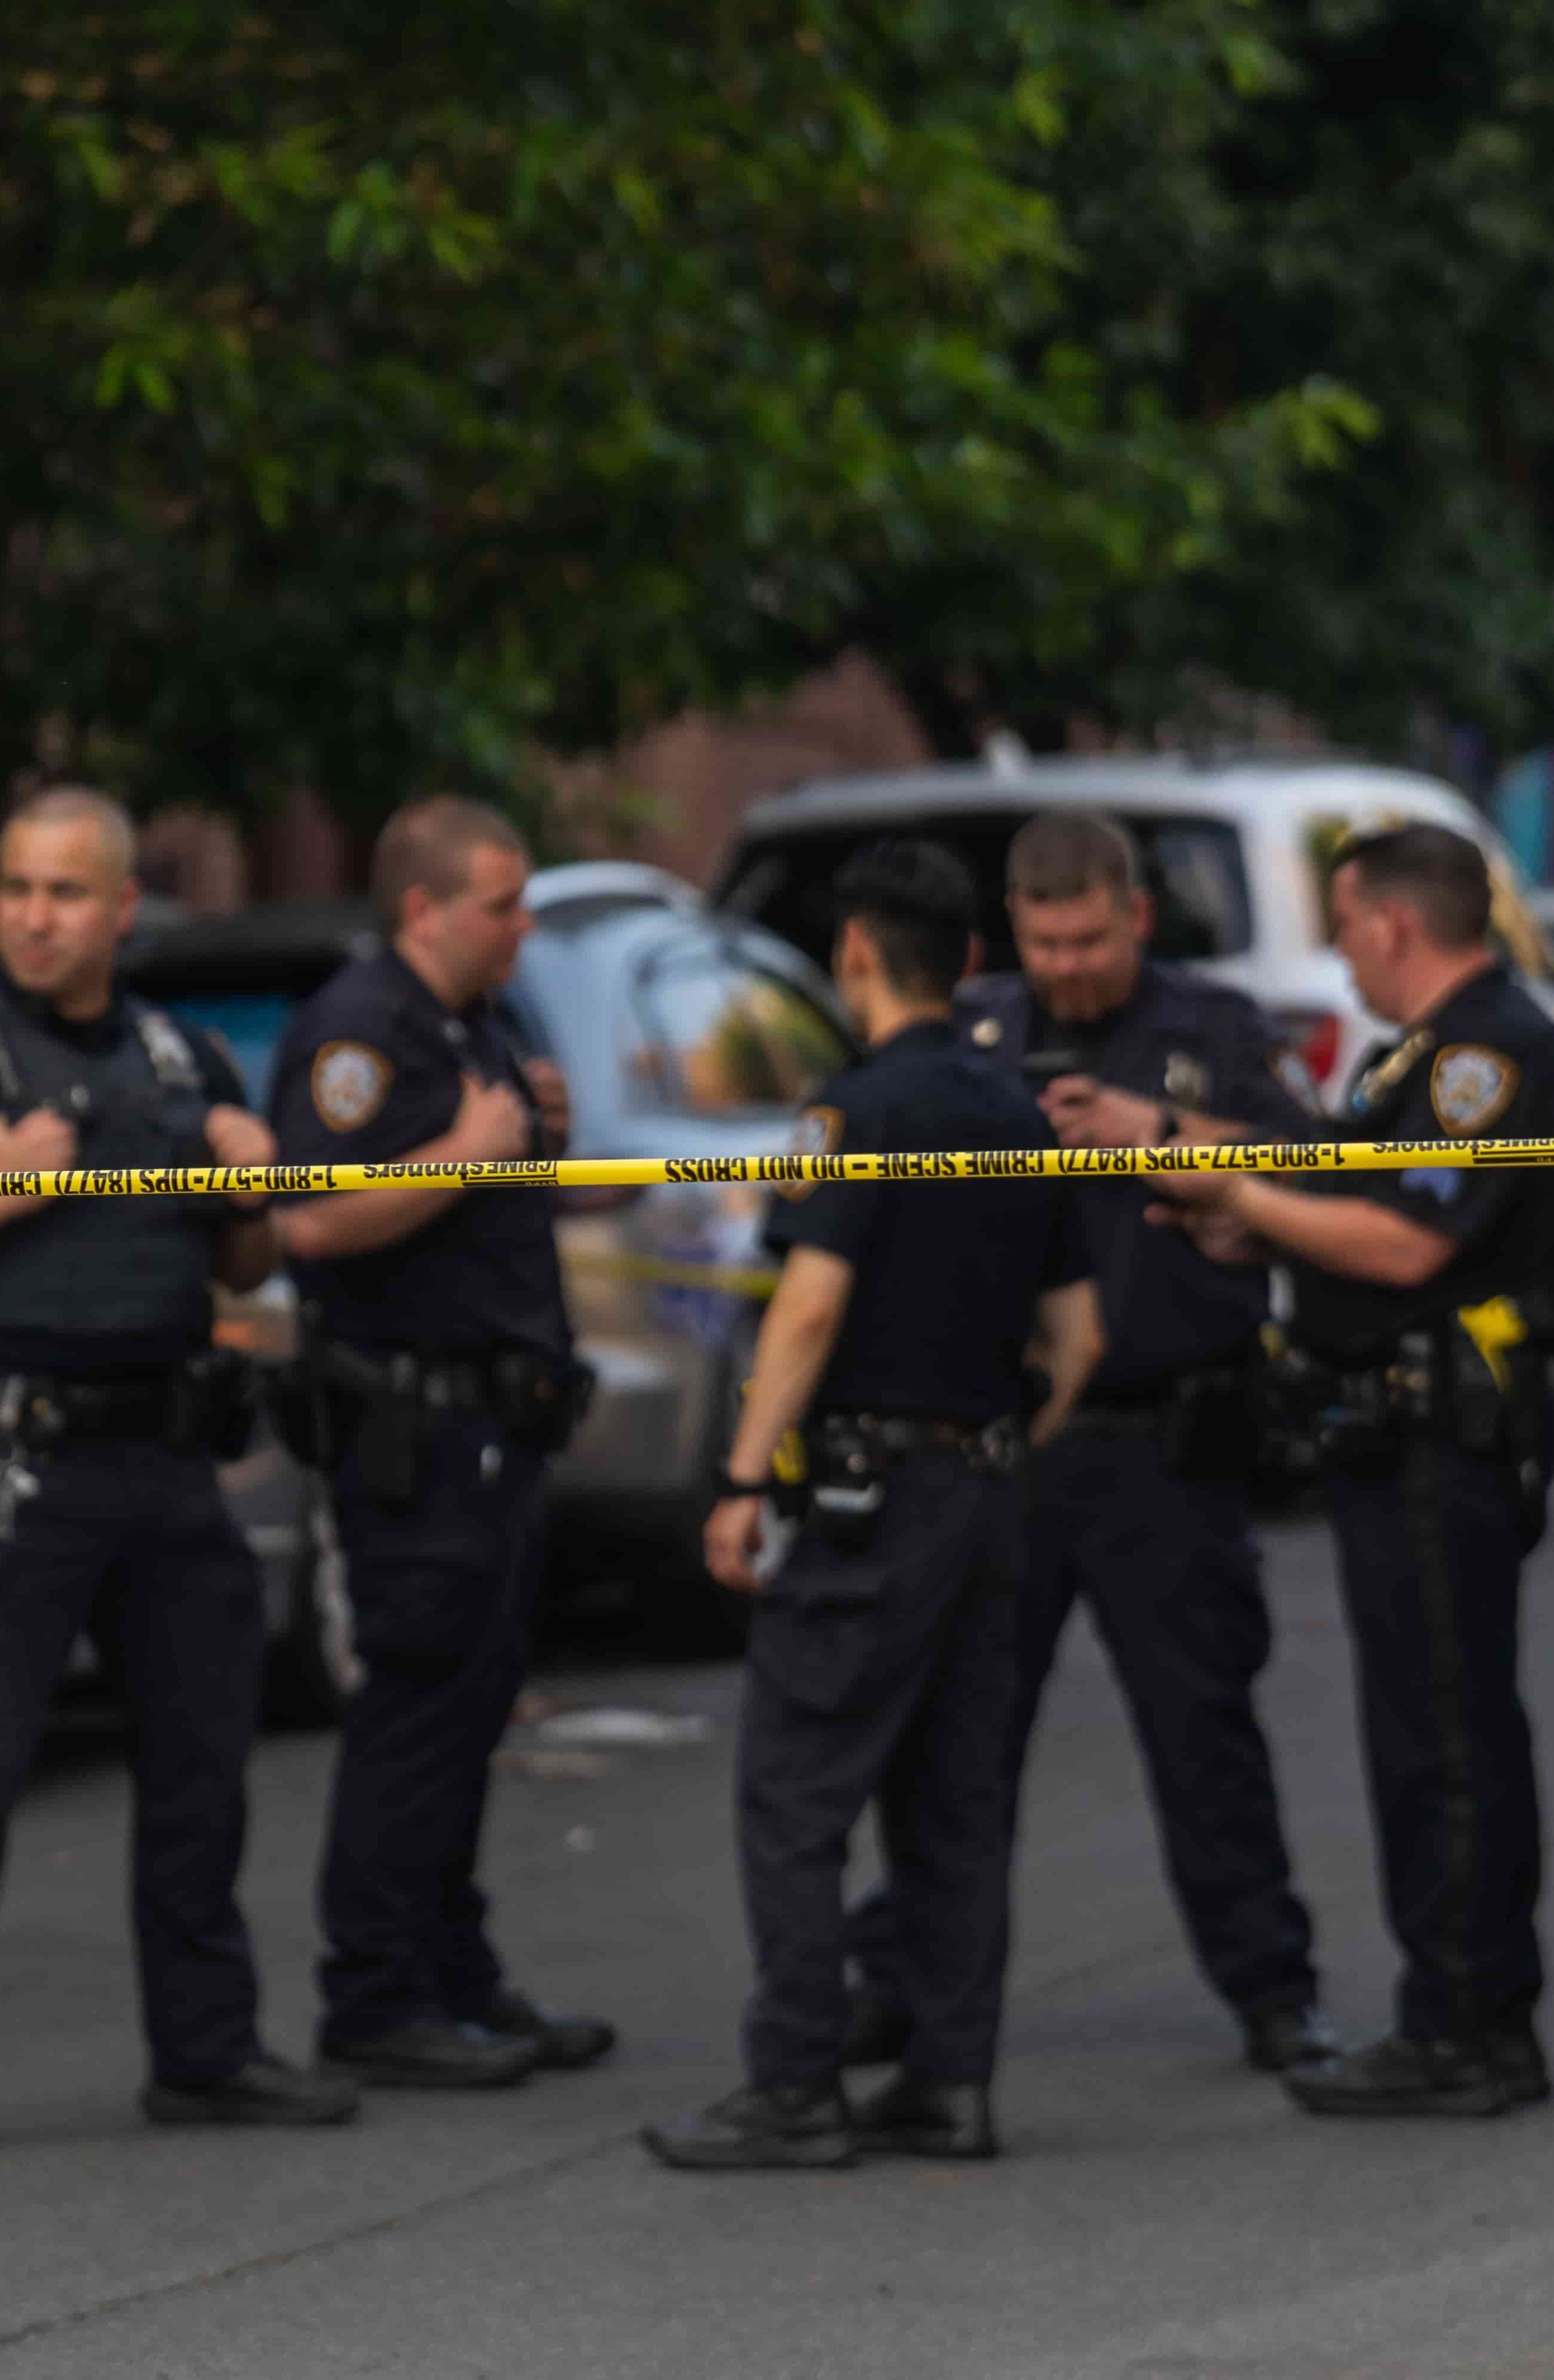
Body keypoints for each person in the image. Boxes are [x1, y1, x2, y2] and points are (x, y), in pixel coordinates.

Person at [0, 785, 356, 2159]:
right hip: (18, 1463)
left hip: (167, 1460)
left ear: (124, 907)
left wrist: (253, 1194)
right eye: (14, 889)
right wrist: (1, 1189)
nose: (33, 917)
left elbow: (242, 1264)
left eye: (62, 892)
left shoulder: (184, 1061)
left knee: (199, 1774)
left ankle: (207, 2052)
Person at [844, 810, 1332, 2077]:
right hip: (1002, 1443)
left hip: (1165, 1444)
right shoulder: (972, 1028)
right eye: (1043, 940)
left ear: (1135, 916)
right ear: (1010, 927)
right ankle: (901, 1982)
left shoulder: (1208, 1028)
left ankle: (1271, 1991)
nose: (1065, 965)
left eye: (1088, 938)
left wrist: (1153, 1135)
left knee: (1201, 1732)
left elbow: (1322, 1166)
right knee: (957, 1743)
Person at [643, 840, 1104, 2172]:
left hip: (865, 1496)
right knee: (955, 1800)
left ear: (854, 951)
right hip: (983, 1489)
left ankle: (793, 2084)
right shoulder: (1019, 1115)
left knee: (794, 1791)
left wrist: (740, 1476)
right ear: (968, 960)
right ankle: (949, 2081)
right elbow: (1074, 1338)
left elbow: (810, 1301)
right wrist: (995, 1437)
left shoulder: (849, 1110)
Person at [1151, 821, 1554, 2118]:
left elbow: (1408, 1246)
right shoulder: (1415, 1060)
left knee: (1444, 1742)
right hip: (1389, 1436)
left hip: (1436, 1441)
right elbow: (1354, 1220)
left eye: (1343, 922)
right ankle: (1453, 2008)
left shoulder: (1483, 1059)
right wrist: (1249, 1224)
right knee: (1424, 1734)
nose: (1340, 950)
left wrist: (1237, 1195)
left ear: (1391, 922)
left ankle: (1465, 2025)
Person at [268, 796, 612, 2091]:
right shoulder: (360, 1028)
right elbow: (311, 1220)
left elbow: (501, 1182)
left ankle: (452, 1972)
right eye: (502, 903)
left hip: (493, 1421)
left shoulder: (474, 1021)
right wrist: (469, 1149)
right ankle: (375, 1994)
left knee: (470, 1703)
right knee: (416, 1702)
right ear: (422, 906)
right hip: (415, 1421)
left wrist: (534, 1141)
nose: (522, 925)